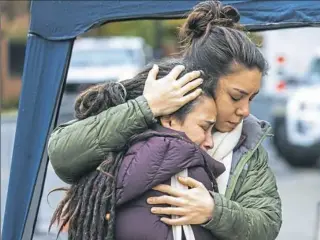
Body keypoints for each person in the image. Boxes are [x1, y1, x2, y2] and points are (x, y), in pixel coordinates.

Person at [48, 1, 282, 240]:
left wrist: (215, 211)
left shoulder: (246, 142)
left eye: (252, 98)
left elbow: (267, 222)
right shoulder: (147, 109)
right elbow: (61, 155)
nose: (245, 111)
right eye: (236, 97)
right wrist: (146, 107)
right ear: (204, 82)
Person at [50, 58, 226, 239]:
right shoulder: (188, 166)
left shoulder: (112, 164)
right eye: (204, 127)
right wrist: (147, 106)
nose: (210, 141)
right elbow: (60, 151)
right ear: (170, 119)